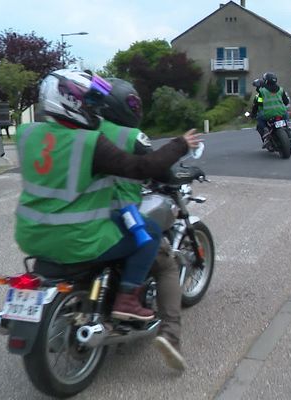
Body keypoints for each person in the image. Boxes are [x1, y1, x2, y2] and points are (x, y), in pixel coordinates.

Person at [15, 69, 200, 322]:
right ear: (70, 101)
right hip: (77, 240)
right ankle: (127, 300)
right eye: (90, 101)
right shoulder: (89, 143)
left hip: (31, 235)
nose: (95, 109)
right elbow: (142, 168)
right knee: (150, 234)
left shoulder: (27, 134)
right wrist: (180, 144)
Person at [100, 77, 186, 370]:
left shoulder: (85, 132)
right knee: (166, 262)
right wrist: (179, 175)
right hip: (122, 217)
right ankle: (170, 333)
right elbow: (157, 169)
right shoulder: (133, 136)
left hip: (86, 218)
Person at [252, 72, 291, 153]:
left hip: (268, 114)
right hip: (282, 113)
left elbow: (257, 104)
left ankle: (265, 130)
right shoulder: (281, 89)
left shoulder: (262, 91)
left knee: (259, 118)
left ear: (266, 81)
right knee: (286, 127)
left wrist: (253, 114)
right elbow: (286, 102)